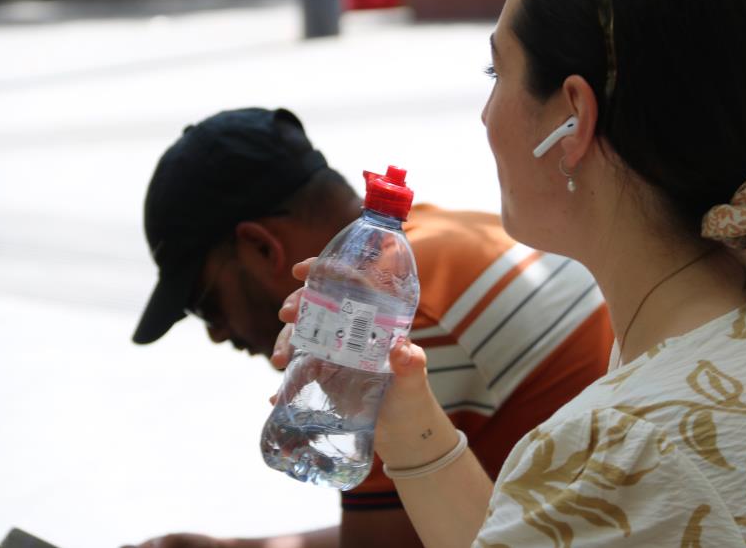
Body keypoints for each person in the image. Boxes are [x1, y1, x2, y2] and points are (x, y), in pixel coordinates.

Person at [276, 0, 746, 546]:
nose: (484, 114)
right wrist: (405, 417)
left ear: (572, 118)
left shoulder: (622, 443)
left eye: (495, 70)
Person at [128, 107, 613, 548]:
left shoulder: (385, 327)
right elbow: (408, 529)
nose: (215, 334)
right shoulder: (423, 250)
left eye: (205, 304)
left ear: (260, 248)